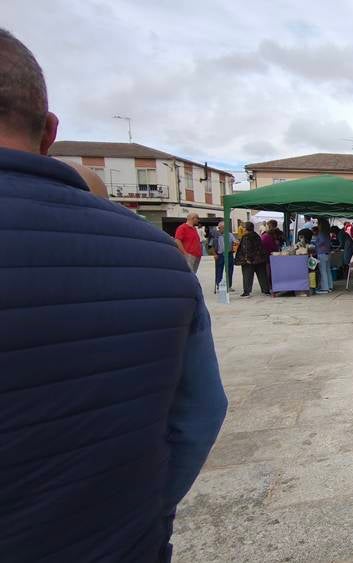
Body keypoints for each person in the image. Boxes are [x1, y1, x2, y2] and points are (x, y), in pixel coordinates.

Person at [0, 28, 227, 562]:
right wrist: (144, 510)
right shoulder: (159, 257)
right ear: (49, 131)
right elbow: (200, 415)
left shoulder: (172, 246)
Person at [235, 222, 270, 296]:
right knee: (262, 275)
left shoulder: (246, 237)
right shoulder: (256, 235)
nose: (242, 228)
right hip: (260, 258)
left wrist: (247, 258)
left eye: (243, 227)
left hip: (250, 260)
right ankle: (266, 290)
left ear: (246, 228)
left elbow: (246, 249)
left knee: (247, 275)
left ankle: (247, 292)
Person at [211, 220, 236, 293]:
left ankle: (229, 285)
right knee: (219, 270)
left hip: (229, 254)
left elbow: (235, 241)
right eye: (221, 228)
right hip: (220, 255)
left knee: (230, 270)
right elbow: (211, 246)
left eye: (224, 228)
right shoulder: (215, 235)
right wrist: (214, 254)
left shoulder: (230, 235)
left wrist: (235, 243)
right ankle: (219, 285)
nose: (222, 229)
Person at [314, 218, 333, 293]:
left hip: (321, 253)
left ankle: (325, 288)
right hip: (327, 253)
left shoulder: (321, 233)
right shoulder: (327, 233)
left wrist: (316, 244)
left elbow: (321, 242)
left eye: (318, 224)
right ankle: (330, 286)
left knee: (323, 271)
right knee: (328, 271)